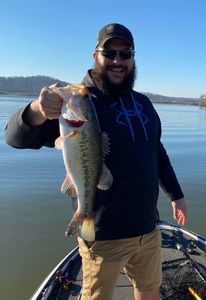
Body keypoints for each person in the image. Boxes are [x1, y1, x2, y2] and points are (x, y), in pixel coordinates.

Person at [5, 23, 187, 300]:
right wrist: (37, 110)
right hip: (103, 235)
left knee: (149, 289)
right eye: (109, 53)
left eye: (124, 53)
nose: (117, 60)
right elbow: (15, 137)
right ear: (95, 56)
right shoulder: (76, 101)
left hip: (148, 228)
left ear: (133, 58)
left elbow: (157, 153)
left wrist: (176, 195)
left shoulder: (144, 104)